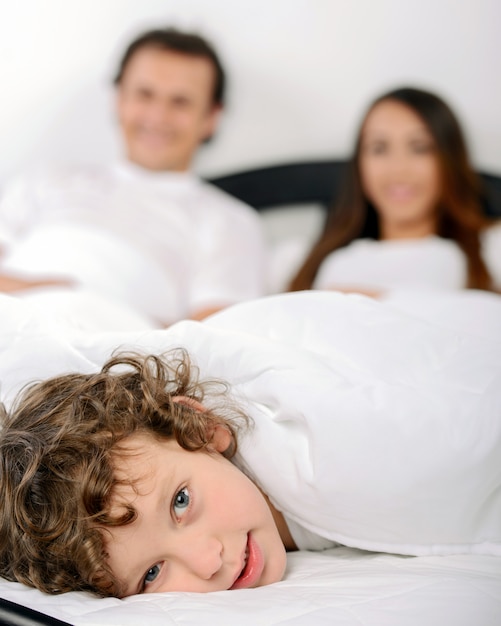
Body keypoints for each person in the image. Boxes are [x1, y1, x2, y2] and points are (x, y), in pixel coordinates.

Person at [0, 289, 500, 598]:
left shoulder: (325, 451)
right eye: (151, 574)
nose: (207, 560)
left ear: (198, 429)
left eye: (180, 502)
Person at [0, 27, 267, 327]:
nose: (158, 116)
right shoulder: (44, 180)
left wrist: (90, 309)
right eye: (144, 94)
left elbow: (212, 339)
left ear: (211, 117)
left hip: (110, 357)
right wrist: (51, 294)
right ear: (119, 99)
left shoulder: (230, 221)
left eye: (180, 102)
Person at [288, 86, 501, 296]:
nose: (398, 169)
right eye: (379, 148)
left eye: (420, 148)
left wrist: (386, 301)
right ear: (359, 165)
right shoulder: (305, 259)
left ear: (449, 159)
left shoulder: (491, 249)